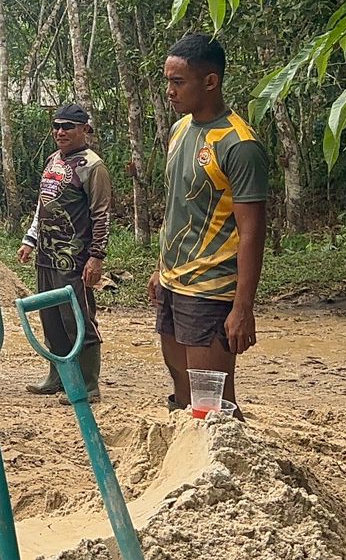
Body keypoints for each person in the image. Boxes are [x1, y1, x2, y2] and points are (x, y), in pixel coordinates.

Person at [149, 34, 269, 416]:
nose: (169, 91)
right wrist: (160, 268)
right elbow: (177, 208)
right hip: (173, 283)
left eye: (178, 82)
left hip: (210, 289)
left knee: (211, 401)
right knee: (182, 389)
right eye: (167, 80)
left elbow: (252, 231)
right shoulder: (180, 130)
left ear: (210, 81)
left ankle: (230, 469)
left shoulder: (240, 145)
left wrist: (242, 307)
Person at [18, 104, 112, 402]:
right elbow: (42, 206)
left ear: (85, 129)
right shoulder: (53, 161)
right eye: (56, 126)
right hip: (47, 255)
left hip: (75, 258)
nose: (61, 132)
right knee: (51, 317)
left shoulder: (93, 167)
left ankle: (88, 383)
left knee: (78, 318)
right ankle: (57, 375)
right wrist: (30, 239)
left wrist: (96, 257)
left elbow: (102, 215)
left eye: (68, 126)